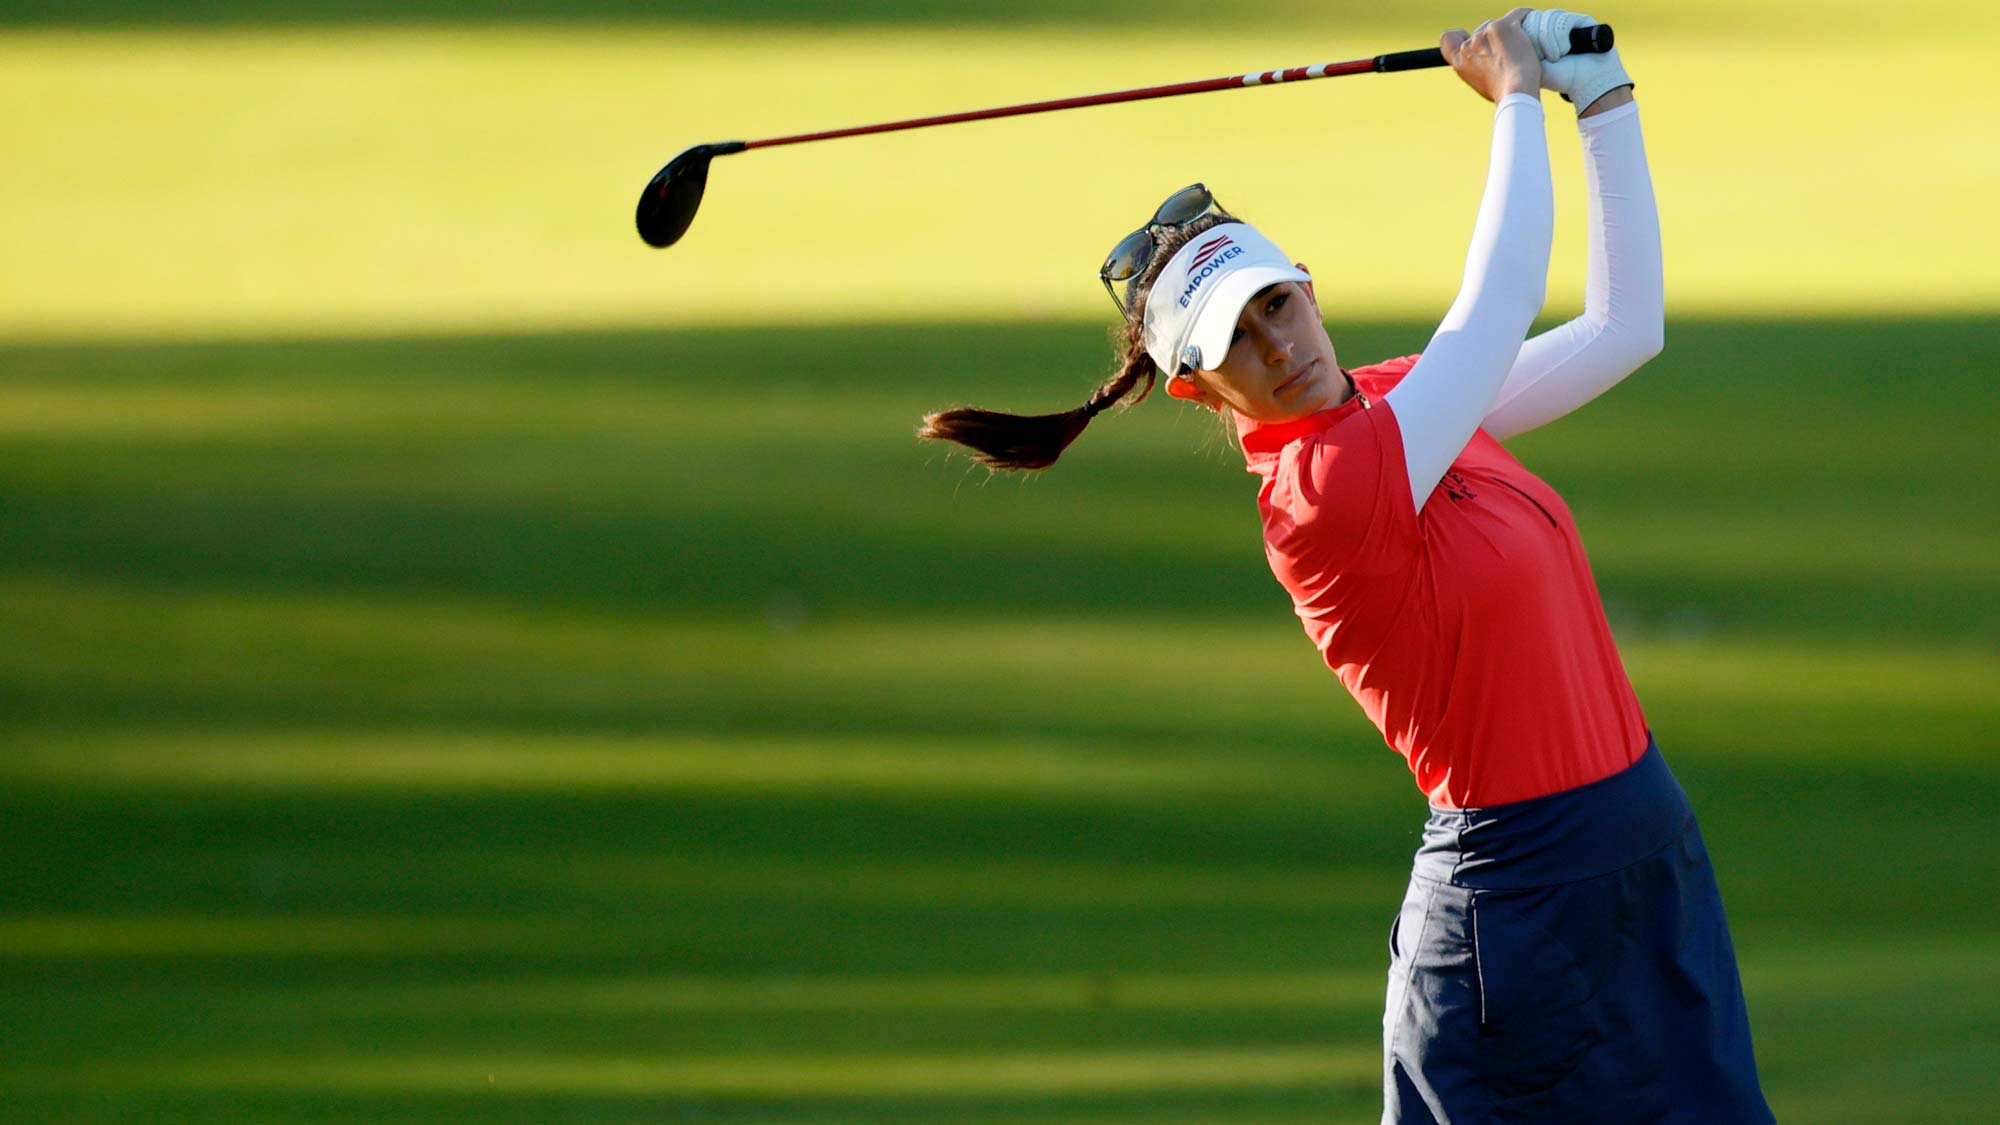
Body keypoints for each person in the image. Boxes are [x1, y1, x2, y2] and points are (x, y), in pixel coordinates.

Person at [919, 8, 1774, 1122]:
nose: (1279, 347)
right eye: (1236, 341)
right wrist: (1514, 98)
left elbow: (1622, 329)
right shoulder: (1320, 491)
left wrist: (1602, 103)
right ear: (1197, 390)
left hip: (1639, 851)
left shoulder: (1394, 401)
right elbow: (1499, 304)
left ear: (1307, 285)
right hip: (1513, 918)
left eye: (1276, 304)